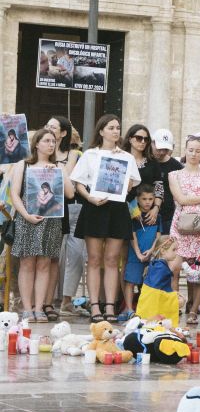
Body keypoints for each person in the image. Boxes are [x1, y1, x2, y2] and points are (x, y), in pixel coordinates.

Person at [70, 114, 141, 323]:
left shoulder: (126, 156)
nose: (115, 131)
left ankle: (110, 305)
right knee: (94, 259)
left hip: (117, 208)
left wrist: (125, 185)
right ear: (101, 131)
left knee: (112, 259)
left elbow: (133, 182)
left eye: (118, 127)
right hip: (95, 207)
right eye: (111, 127)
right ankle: (95, 305)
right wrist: (90, 197)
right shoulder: (90, 154)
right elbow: (79, 183)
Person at [11, 129, 73, 322]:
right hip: (27, 218)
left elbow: (70, 193)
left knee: (45, 264)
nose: (51, 144)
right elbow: (15, 194)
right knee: (27, 263)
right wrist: (26, 215)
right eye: (46, 140)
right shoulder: (23, 165)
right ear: (36, 144)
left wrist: (59, 172)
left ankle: (39, 308)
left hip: (51, 220)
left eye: (53, 141)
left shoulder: (58, 167)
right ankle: (27, 308)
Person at [169, 135, 200, 325]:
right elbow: (181, 199)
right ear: (185, 150)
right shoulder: (174, 175)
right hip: (180, 225)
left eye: (198, 151)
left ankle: (194, 308)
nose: (194, 154)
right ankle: (175, 304)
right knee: (174, 267)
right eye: (190, 150)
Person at [46, 116, 82, 319]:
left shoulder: (74, 154)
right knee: (52, 256)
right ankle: (48, 300)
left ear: (63, 133)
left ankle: (67, 299)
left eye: (53, 127)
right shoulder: (42, 153)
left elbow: (65, 179)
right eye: (47, 126)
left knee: (75, 255)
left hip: (71, 207)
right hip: (49, 208)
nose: (49, 129)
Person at [122, 183, 159, 321]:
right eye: (144, 199)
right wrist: (138, 253)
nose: (147, 202)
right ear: (137, 199)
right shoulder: (133, 215)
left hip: (151, 256)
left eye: (150, 199)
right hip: (134, 255)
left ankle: (146, 309)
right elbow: (133, 236)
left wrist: (152, 250)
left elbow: (159, 236)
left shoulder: (157, 216)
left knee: (148, 284)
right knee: (130, 281)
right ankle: (129, 309)